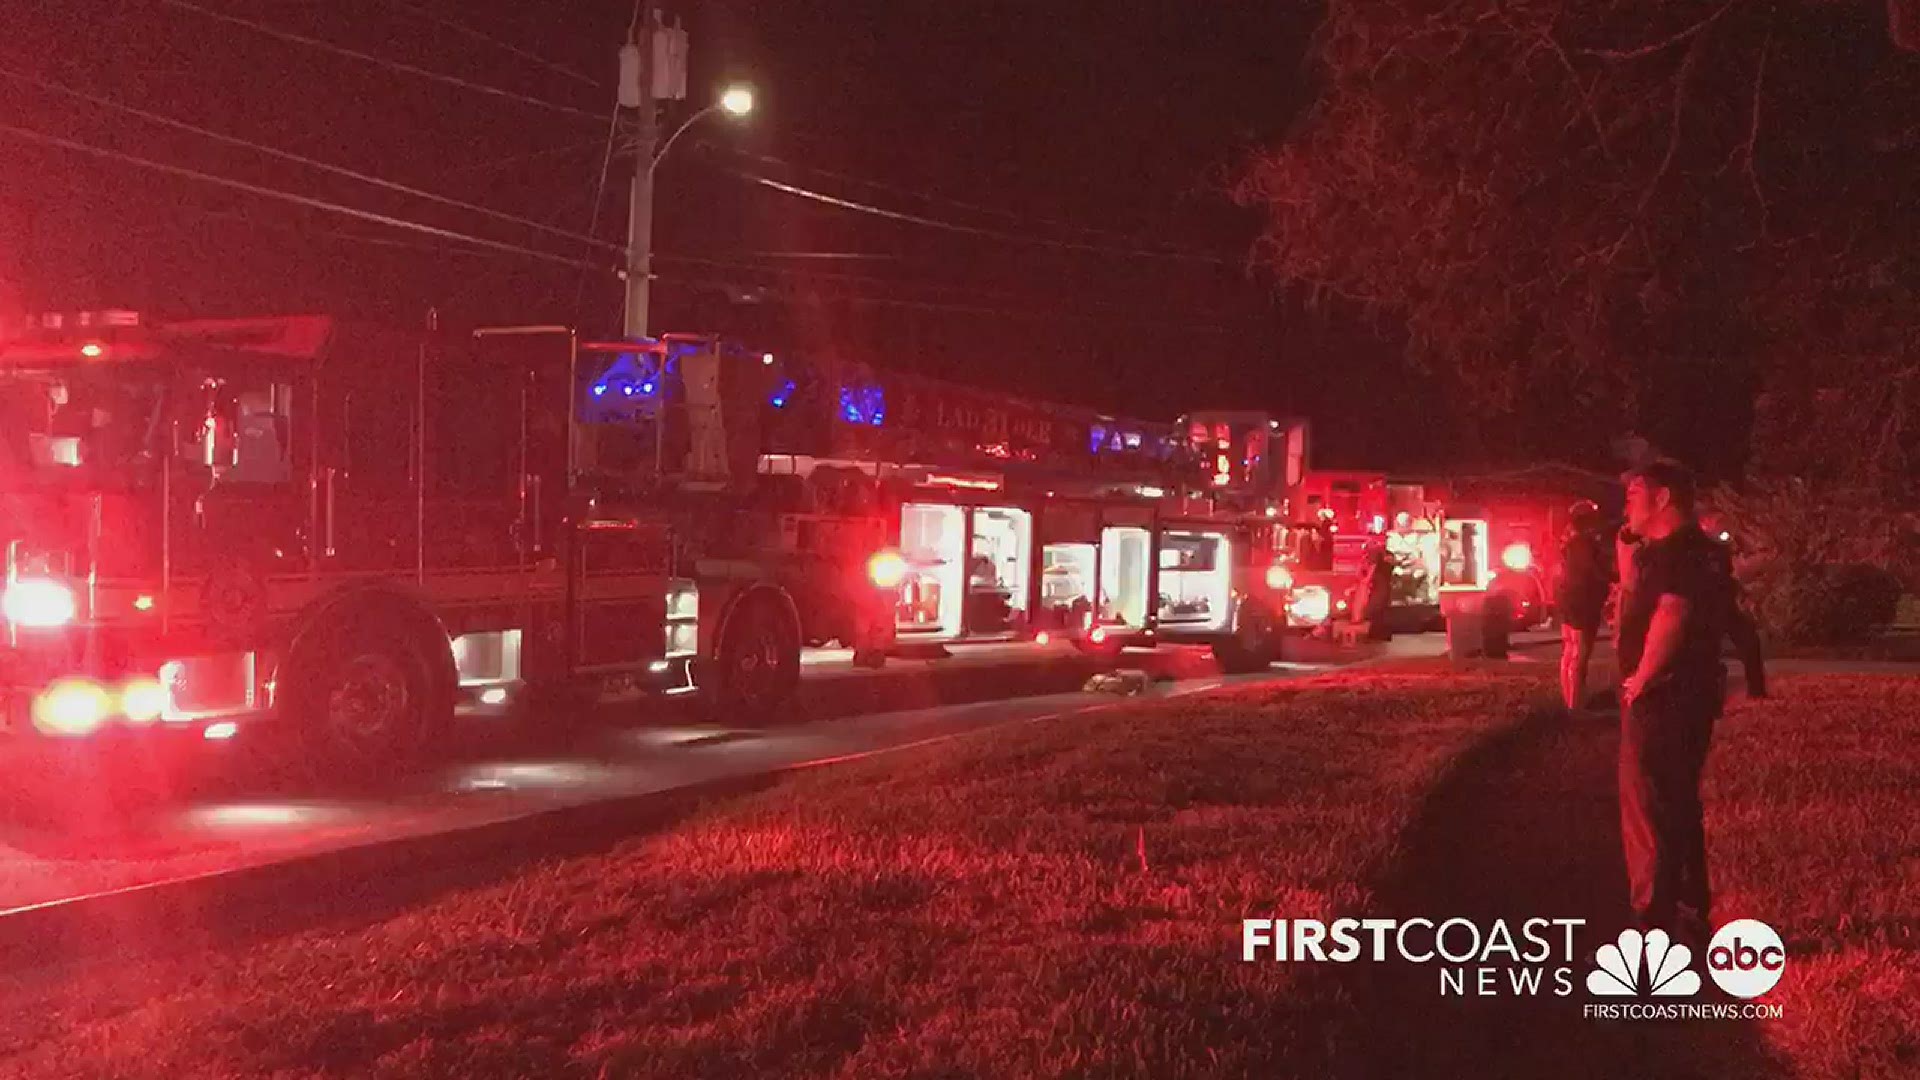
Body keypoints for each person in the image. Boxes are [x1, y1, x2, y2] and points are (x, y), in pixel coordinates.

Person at [1615, 460, 1731, 953]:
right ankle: (1689, 915)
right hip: (1695, 692)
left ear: (1663, 498)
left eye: (1636, 494)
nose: (1627, 504)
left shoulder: (1676, 554)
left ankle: (1652, 927)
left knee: (1648, 809)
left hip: (1662, 695)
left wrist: (1642, 678)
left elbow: (1672, 614)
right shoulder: (1696, 551)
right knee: (1679, 803)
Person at [1554, 500, 1612, 712]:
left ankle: (1569, 698)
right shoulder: (1583, 543)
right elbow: (1594, 571)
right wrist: (1613, 578)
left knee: (1569, 651)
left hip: (1569, 601)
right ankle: (1576, 703)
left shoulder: (1568, 540)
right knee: (1580, 653)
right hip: (1584, 602)